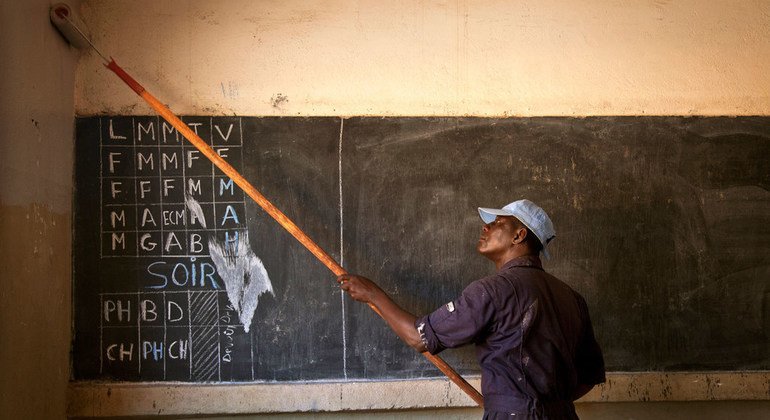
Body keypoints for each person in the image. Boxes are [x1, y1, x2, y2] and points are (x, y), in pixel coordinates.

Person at [338, 199, 605, 419]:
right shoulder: (572, 298)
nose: (486, 227)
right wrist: (544, 404)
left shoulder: (493, 290)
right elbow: (589, 376)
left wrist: (372, 294)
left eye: (498, 222)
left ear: (519, 235)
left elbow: (418, 337)